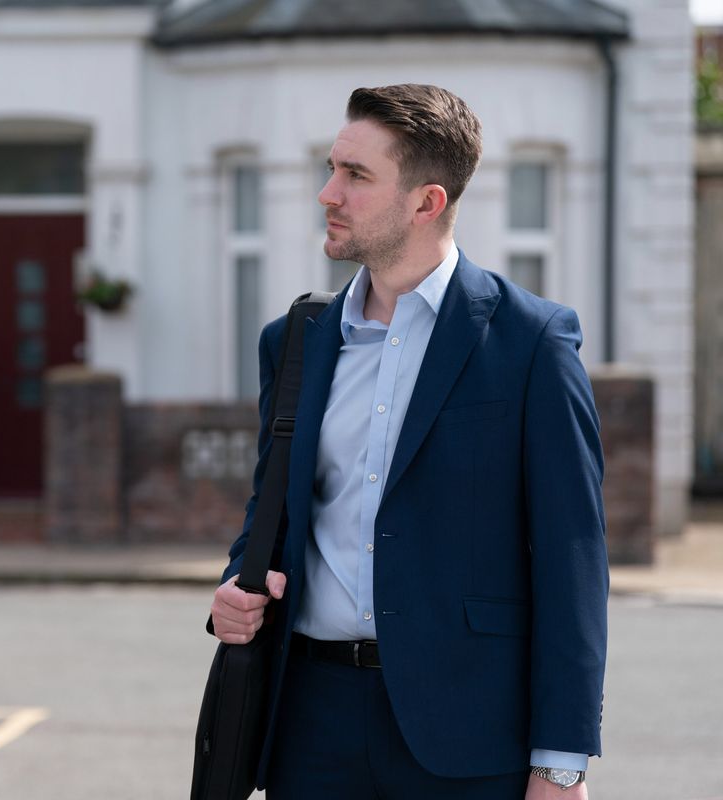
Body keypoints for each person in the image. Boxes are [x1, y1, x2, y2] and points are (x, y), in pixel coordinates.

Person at [210, 84, 608, 798]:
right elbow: (272, 512)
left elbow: (571, 560)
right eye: (332, 168)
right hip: (310, 725)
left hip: (471, 733)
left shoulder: (531, 343)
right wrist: (238, 584)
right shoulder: (294, 343)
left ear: (427, 202)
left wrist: (560, 762)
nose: (327, 193)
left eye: (356, 176)